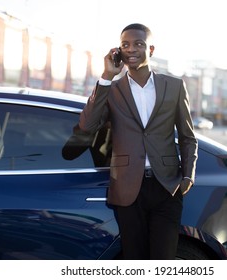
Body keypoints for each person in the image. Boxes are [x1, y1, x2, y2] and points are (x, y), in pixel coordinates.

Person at [78, 23, 198, 259]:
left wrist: (187, 176)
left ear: (150, 49)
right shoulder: (111, 89)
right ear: (118, 50)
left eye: (138, 44)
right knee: (134, 259)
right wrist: (106, 76)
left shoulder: (174, 86)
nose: (131, 49)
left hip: (167, 187)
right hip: (127, 188)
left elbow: (187, 136)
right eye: (125, 44)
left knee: (163, 259)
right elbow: (87, 126)